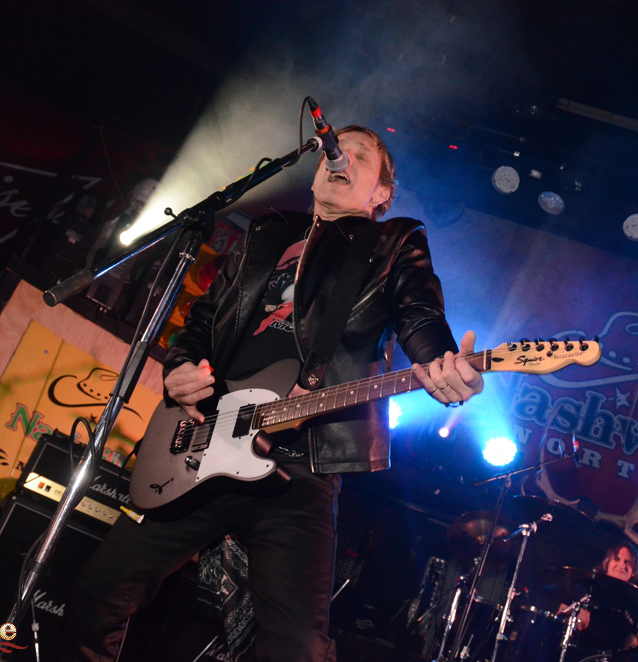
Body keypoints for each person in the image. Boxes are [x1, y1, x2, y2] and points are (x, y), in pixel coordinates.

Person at [59, 125, 484, 662]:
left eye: (360, 155)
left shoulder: (393, 242)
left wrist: (443, 362)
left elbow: (419, 314)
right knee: (95, 599)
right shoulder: (268, 233)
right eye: (335, 149)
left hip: (300, 469)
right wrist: (181, 367)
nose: (341, 157)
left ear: (381, 194)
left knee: (296, 648)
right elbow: (204, 319)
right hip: (199, 446)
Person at [558, 541, 638, 656]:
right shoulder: (587, 585)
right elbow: (559, 617)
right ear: (607, 562)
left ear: (633, 572)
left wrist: (637, 642)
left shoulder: (635, 602)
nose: (621, 565)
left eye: (627, 562)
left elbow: (634, 642)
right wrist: (574, 620)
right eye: (617, 559)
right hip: (577, 654)